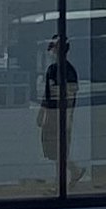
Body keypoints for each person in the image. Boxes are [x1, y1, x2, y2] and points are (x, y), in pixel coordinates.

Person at [37, 35, 78, 173]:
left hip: (57, 114)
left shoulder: (61, 70)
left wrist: (67, 116)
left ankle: (63, 179)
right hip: (54, 114)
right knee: (55, 149)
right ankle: (72, 172)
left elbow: (70, 95)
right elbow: (48, 93)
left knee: (58, 148)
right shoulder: (56, 69)